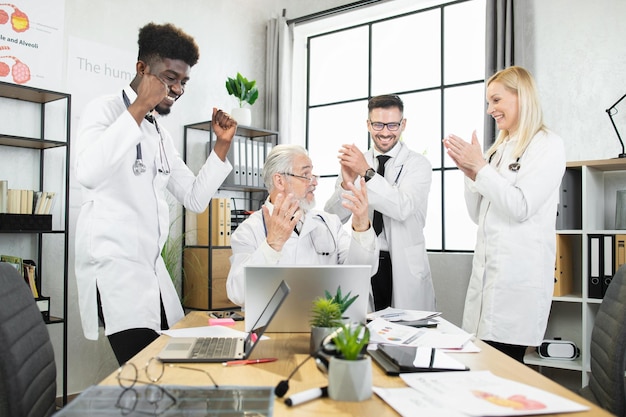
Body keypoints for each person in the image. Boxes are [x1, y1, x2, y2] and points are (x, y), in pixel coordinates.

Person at [74, 22, 237, 365]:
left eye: (182, 82)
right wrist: (136, 109)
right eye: (169, 78)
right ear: (142, 69)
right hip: (116, 272)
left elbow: (193, 197)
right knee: (147, 373)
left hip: (153, 274)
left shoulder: (159, 132)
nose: (176, 89)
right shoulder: (105, 110)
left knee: (171, 369)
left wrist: (221, 146)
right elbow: (87, 173)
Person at [443, 65, 566, 363]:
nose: (490, 110)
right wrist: (470, 173)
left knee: (503, 376)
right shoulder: (497, 150)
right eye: (488, 102)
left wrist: (481, 169)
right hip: (485, 290)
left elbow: (521, 207)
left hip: (516, 289)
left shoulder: (547, 145)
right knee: (482, 373)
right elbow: (478, 215)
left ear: (521, 96)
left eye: (496, 100)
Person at [226, 144, 379, 307]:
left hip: (325, 325)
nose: (314, 182)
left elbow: (362, 271)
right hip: (274, 329)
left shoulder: (328, 223)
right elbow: (239, 294)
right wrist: (272, 245)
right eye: (306, 174)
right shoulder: (250, 230)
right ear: (279, 180)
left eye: (313, 174)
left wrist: (362, 226)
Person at [324, 94, 435, 312]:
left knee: (405, 337)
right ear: (368, 124)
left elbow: (402, 207)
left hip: (402, 263)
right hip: (366, 257)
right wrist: (346, 185)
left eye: (392, 124)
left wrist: (366, 172)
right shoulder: (357, 161)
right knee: (366, 331)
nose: (385, 132)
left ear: (403, 124)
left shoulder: (418, 164)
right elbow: (333, 217)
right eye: (378, 124)